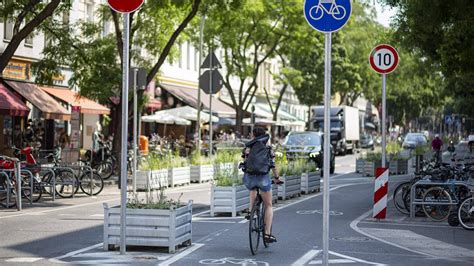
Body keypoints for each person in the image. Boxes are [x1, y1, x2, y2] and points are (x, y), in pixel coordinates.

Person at [240, 127, 282, 244]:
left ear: (253, 135)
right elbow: (272, 165)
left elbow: (244, 161)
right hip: (263, 178)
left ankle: (251, 210)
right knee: (268, 205)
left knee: (253, 188)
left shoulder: (248, 147)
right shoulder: (268, 148)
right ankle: (267, 234)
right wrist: (277, 178)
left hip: (249, 179)